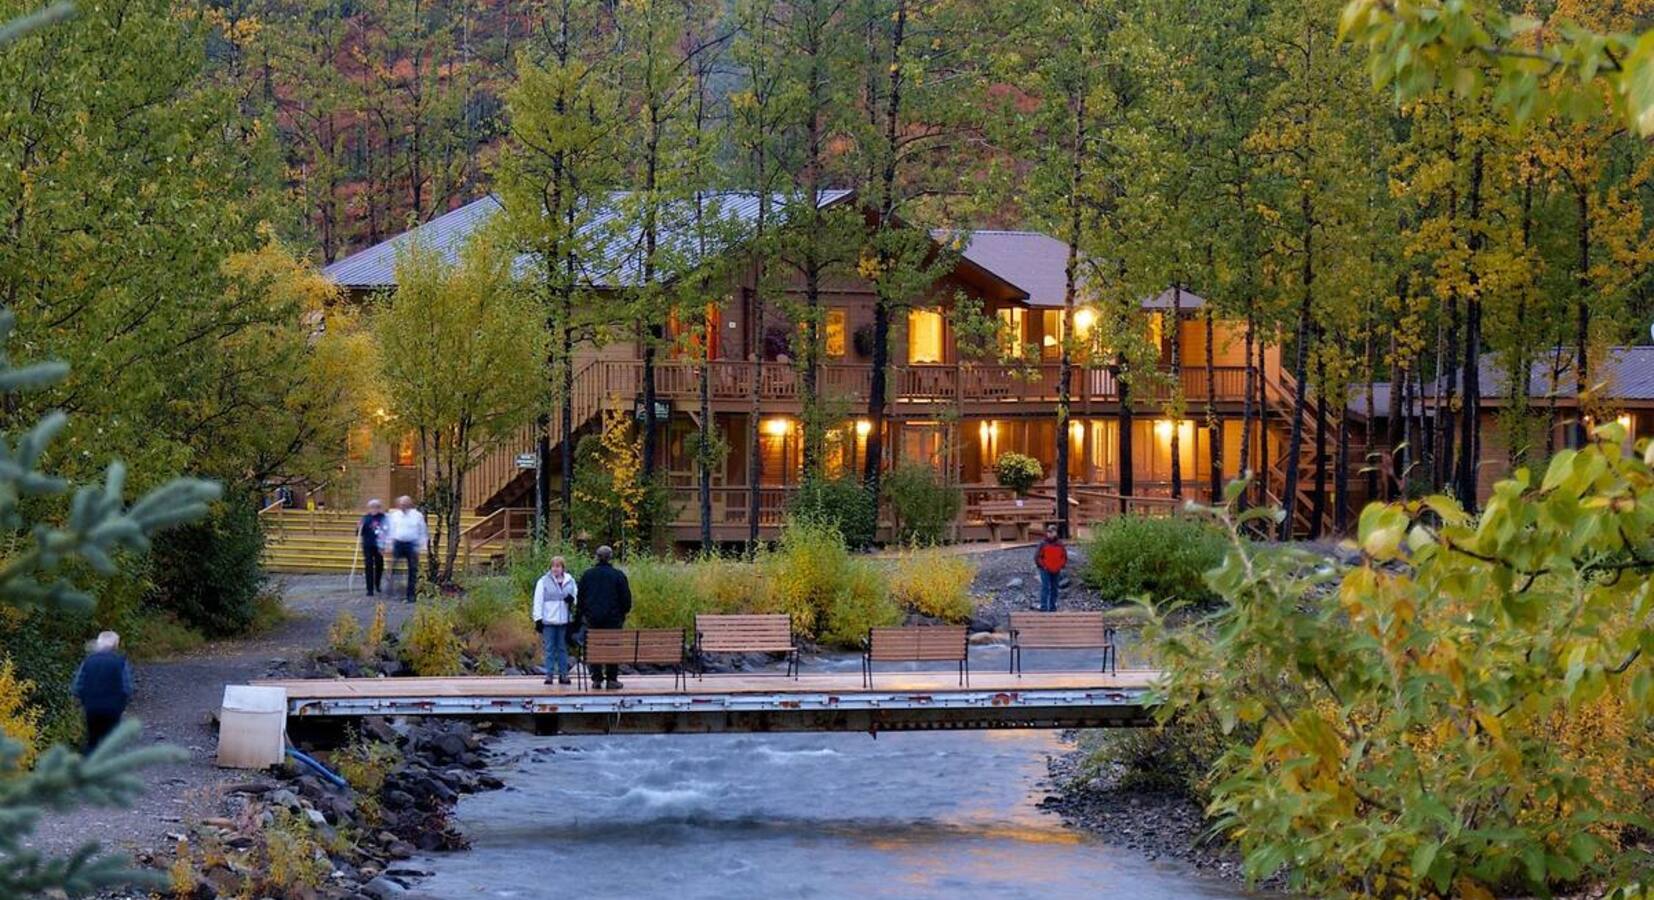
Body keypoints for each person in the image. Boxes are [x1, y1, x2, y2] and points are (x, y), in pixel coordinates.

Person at [576, 545, 632, 690]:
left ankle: (596, 678)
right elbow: (626, 600)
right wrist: (622, 613)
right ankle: (612, 679)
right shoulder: (618, 575)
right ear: (610, 557)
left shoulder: (587, 575)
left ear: (596, 557)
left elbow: (580, 598)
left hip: (593, 619)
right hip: (613, 620)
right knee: (612, 647)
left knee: (594, 647)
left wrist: (583, 615)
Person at [71, 631, 133, 752]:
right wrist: (123, 703)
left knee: (92, 739)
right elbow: (127, 688)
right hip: (113, 708)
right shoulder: (120, 662)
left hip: (92, 707)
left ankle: (90, 767)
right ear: (116, 645)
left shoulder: (88, 661)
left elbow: (77, 686)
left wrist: (83, 700)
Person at [533, 556, 577, 686]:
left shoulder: (570, 581)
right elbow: (538, 601)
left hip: (564, 620)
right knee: (549, 648)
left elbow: (576, 596)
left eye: (558, 566)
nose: (555, 569)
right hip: (548, 621)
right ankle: (549, 674)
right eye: (553, 566)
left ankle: (564, 675)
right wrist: (538, 619)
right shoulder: (543, 581)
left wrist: (572, 599)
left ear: (563, 568)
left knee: (563, 649)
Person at [385, 496, 429, 602]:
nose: (403, 506)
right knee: (395, 569)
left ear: (410, 504)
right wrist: (388, 544)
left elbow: (422, 530)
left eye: (405, 504)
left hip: (412, 544)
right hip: (398, 543)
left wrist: (423, 545)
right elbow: (390, 530)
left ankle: (411, 595)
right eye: (401, 504)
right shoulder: (394, 515)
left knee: (412, 571)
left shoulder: (417, 516)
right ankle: (394, 592)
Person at [1035, 524, 1067, 612]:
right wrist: (1043, 566)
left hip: (1056, 569)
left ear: (1055, 533)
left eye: (1052, 532)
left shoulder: (1060, 544)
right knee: (1045, 588)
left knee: (1055, 589)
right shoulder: (1043, 544)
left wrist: (1061, 565)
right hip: (1045, 569)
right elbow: (1037, 557)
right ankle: (1044, 607)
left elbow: (1064, 556)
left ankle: (1053, 607)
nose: (1050, 534)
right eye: (1049, 532)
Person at [359, 499, 388, 597]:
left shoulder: (383, 517)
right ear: (369, 508)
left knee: (379, 564)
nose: (374, 509)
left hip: (379, 545)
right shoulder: (365, 518)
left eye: (377, 507)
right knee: (369, 565)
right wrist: (359, 527)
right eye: (372, 507)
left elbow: (387, 529)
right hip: (367, 545)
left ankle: (377, 584)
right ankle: (369, 589)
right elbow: (359, 532)